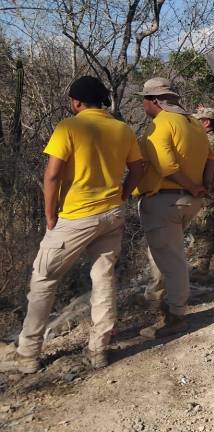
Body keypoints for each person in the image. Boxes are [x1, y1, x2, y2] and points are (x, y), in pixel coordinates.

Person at [0, 76, 144, 373]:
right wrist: (123, 194)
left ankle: (27, 354)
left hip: (77, 216)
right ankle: (98, 350)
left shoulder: (69, 127)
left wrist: (51, 216)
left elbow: (51, 176)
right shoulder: (122, 129)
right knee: (104, 279)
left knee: (44, 278)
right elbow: (138, 167)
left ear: (77, 101)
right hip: (112, 214)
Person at [134, 77, 213, 339]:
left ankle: (176, 315)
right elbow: (210, 160)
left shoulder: (161, 124)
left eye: (144, 99)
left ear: (155, 101)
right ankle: (158, 301)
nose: (143, 104)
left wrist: (192, 186)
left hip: (166, 200)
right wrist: (202, 188)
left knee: (173, 260)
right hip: (189, 201)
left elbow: (167, 167)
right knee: (168, 253)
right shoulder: (194, 124)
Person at [189, 107, 214, 278]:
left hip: (207, 191)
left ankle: (202, 267)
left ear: (206, 122)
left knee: (203, 229)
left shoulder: (209, 141)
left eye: (198, 121)